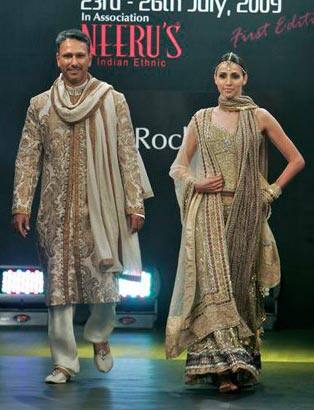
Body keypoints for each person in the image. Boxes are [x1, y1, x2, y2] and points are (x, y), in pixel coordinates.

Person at [12, 29, 153, 384]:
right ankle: (63, 362)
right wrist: (21, 203)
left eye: (79, 55)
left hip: (100, 208)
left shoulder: (111, 99)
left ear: (90, 58)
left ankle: (99, 334)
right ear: (57, 60)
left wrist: (135, 203)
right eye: (66, 56)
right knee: (58, 289)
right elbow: (28, 158)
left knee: (104, 281)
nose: (73, 62)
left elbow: (127, 153)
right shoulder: (40, 105)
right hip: (54, 211)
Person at [165, 52, 304, 392]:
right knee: (213, 288)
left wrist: (270, 192)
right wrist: (195, 183)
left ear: (245, 80)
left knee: (241, 286)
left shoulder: (258, 117)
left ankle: (241, 360)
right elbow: (178, 166)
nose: (228, 82)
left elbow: (297, 159)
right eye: (223, 76)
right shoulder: (200, 119)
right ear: (215, 80)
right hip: (207, 211)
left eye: (234, 76)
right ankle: (223, 370)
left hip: (245, 213)